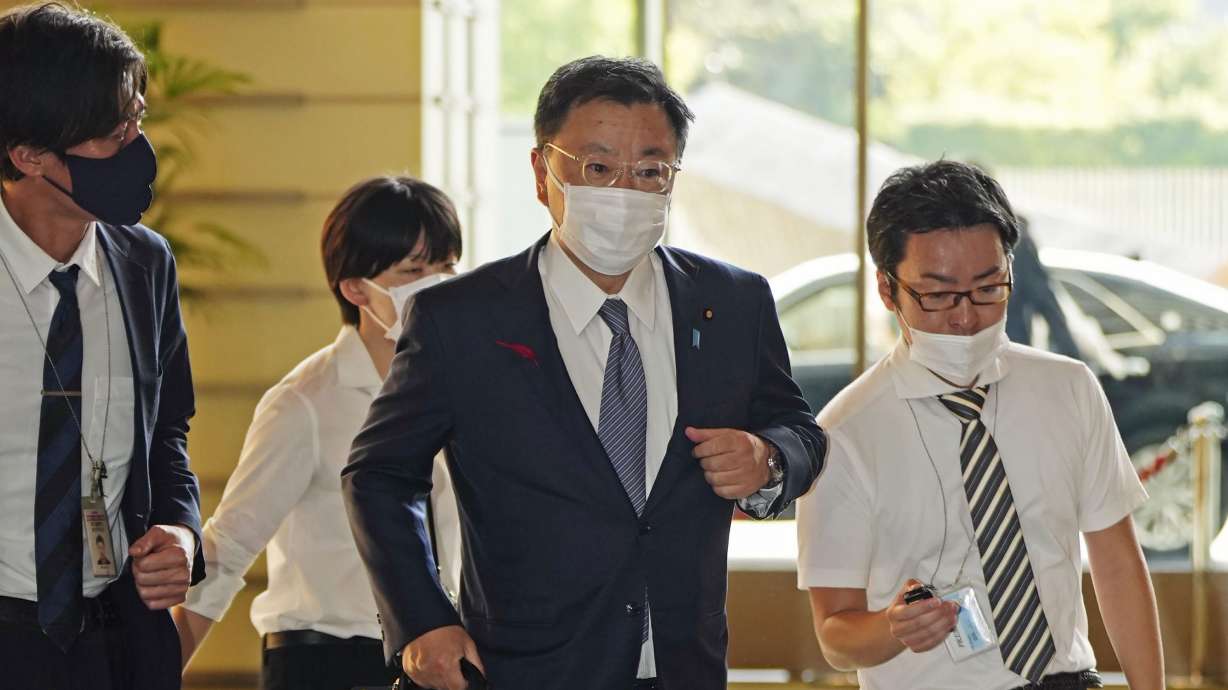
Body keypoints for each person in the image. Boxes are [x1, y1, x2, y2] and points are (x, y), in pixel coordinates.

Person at [343, 55, 826, 690]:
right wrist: (422, 619)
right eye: (597, 167)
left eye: (650, 170)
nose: (624, 190)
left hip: (686, 662)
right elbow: (379, 474)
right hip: (524, 666)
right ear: (543, 172)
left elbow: (799, 429)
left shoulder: (733, 302)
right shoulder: (461, 318)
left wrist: (768, 457)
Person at [796, 160, 1164, 690]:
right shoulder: (845, 434)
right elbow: (834, 634)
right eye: (938, 295)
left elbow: (1118, 566)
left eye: (988, 288)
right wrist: (892, 628)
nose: (966, 318)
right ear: (886, 288)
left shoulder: (1068, 389)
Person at [172, 175, 465, 690]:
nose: (437, 285)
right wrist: (153, 669)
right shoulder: (304, 403)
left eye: (447, 268)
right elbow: (228, 548)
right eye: (414, 271)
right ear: (355, 288)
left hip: (439, 658)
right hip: (327, 660)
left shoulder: (466, 388)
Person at [0, 3, 204, 688]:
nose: (139, 148)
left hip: (120, 646)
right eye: (115, 137)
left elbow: (167, 430)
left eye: (138, 120)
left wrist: (181, 531)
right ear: (28, 155)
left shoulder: (146, 264)